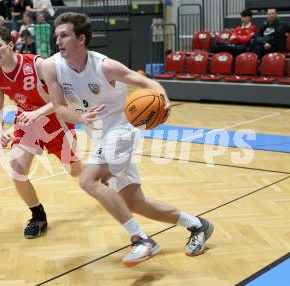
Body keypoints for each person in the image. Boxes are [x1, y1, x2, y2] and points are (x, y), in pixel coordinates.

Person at [42, 12, 214, 267]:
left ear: (81, 38)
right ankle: (198, 225)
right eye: (57, 36)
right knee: (135, 203)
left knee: (88, 180)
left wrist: (164, 100)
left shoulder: (105, 66)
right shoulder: (51, 66)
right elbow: (58, 107)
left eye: (64, 35)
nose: (58, 41)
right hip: (99, 136)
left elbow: (147, 83)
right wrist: (81, 117)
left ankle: (141, 240)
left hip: (122, 131)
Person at [0, 25, 82, 239]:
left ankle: (99, 176)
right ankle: (38, 216)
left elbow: (63, 100)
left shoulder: (37, 64)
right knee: (16, 168)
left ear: (11, 45)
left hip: (57, 122)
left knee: (75, 171)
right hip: (28, 123)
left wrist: (38, 113)